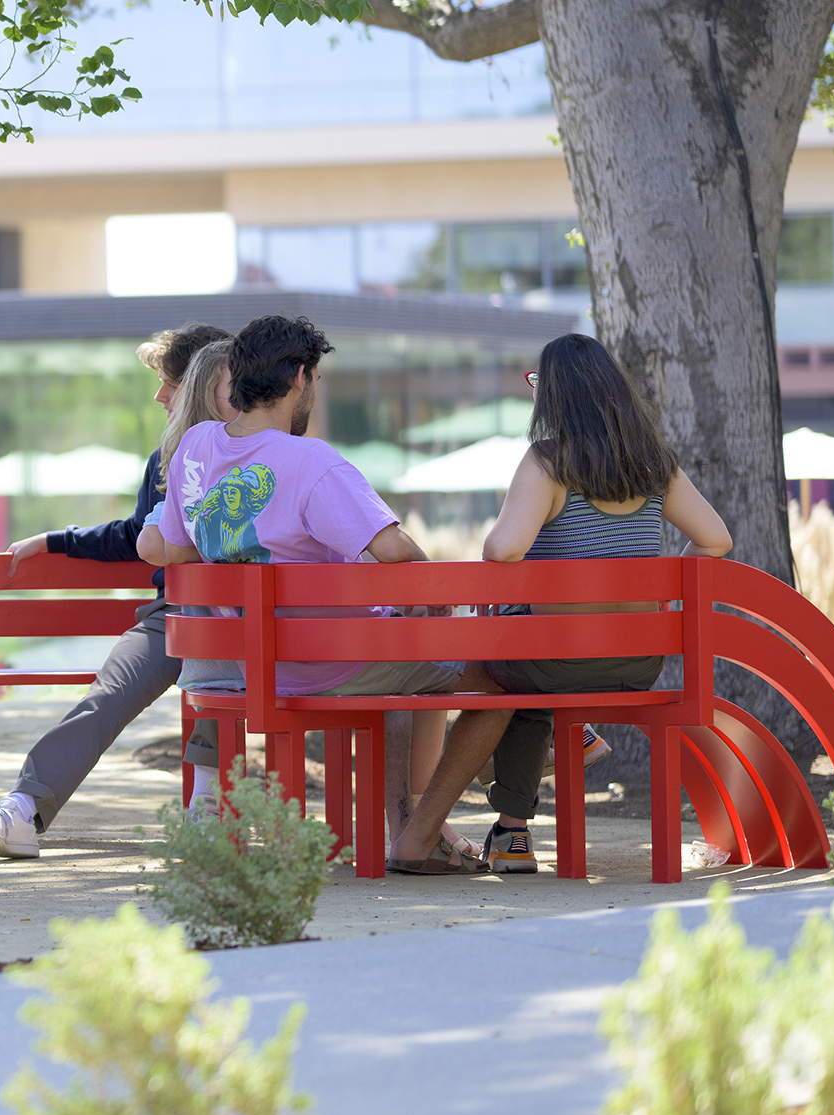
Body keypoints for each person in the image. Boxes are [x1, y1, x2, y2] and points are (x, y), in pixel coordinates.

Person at [389, 333, 732, 875]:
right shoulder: (654, 463)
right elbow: (715, 540)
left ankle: (423, 833)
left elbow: (503, 549)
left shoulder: (550, 462)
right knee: (524, 689)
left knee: (496, 683)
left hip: (554, 660)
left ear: (553, 396)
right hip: (637, 662)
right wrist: (659, 590)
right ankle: (510, 835)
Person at [140, 315, 457, 858]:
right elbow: (398, 555)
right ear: (299, 380)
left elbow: (175, 552)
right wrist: (437, 603)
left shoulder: (193, 447)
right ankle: (424, 831)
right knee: (489, 677)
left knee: (414, 657)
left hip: (253, 664)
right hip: (329, 666)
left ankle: (417, 827)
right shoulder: (311, 461)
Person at [0, 323, 232, 858]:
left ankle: (209, 812)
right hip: (174, 615)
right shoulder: (168, 457)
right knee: (106, 695)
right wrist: (56, 539)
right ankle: (23, 807)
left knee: (223, 677)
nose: (159, 395)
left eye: (170, 382)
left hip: (242, 619)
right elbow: (136, 536)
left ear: (207, 384)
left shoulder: (268, 454)